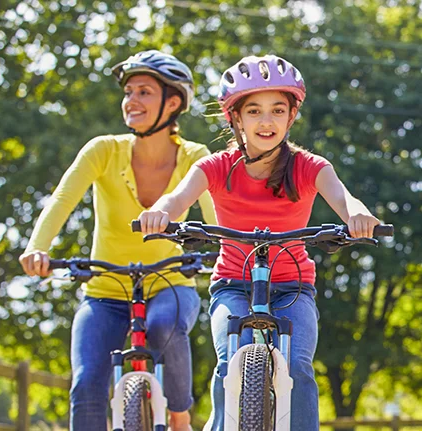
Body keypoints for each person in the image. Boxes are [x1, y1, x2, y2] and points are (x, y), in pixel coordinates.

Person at [138, 54, 381, 431]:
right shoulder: (216, 166)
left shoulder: (309, 166)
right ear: (236, 117)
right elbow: (178, 198)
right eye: (254, 111)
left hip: (293, 286)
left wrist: (358, 217)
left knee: (297, 365)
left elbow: (344, 199)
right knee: (228, 359)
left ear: (291, 116)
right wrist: (161, 211)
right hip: (232, 284)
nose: (266, 121)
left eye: (277, 110)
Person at [19, 50, 216, 431]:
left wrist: (229, 257)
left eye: (144, 92)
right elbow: (62, 200)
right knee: (86, 382)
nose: (131, 101)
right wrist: (36, 248)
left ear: (172, 103)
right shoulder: (103, 151)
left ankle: (179, 417)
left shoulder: (195, 157)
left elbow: (216, 221)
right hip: (105, 291)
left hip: (171, 284)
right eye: (128, 92)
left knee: (164, 326)